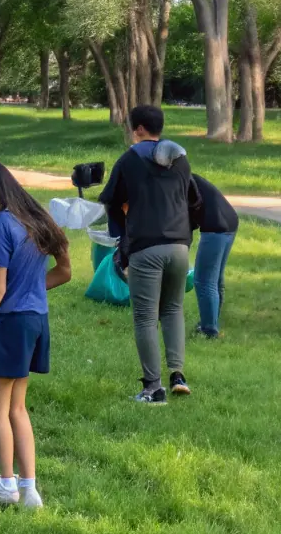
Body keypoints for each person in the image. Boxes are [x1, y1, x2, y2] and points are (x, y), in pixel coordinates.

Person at [0, 162, 71, 509]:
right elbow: (65, 271)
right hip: (36, 322)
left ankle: (6, 485)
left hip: (7, 324)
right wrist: (29, 291)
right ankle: (30, 490)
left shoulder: (1, 225)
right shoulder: (37, 219)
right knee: (18, 409)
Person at [99, 105, 202, 405]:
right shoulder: (181, 160)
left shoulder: (130, 159)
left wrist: (121, 236)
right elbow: (193, 199)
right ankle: (178, 375)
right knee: (173, 309)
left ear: (140, 128)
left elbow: (110, 199)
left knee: (145, 318)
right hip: (180, 246)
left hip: (147, 247)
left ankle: (153, 389)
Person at [192, 173, 238, 338]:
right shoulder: (189, 176)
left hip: (215, 226)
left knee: (203, 281)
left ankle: (209, 330)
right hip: (230, 221)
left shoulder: (177, 183)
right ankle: (211, 322)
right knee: (216, 279)